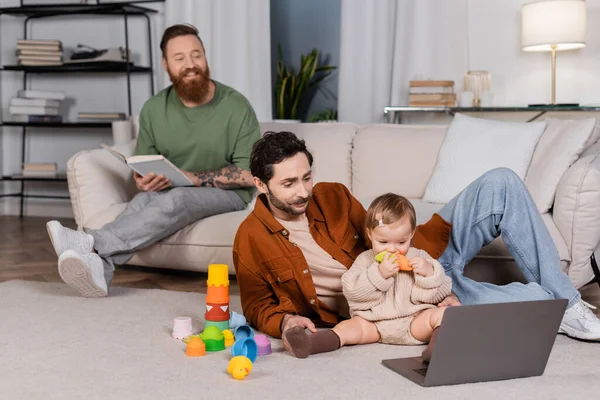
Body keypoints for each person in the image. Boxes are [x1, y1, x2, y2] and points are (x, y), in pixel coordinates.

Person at [233, 131, 600, 357]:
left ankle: (568, 301)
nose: (303, 191)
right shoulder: (250, 239)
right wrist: (283, 322)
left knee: (501, 181)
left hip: (424, 264)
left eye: (307, 177)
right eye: (289, 184)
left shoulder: (332, 195)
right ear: (260, 185)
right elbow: (256, 306)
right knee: (540, 307)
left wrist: (432, 276)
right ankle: (558, 304)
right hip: (396, 307)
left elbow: (379, 234)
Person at [46, 24, 261, 297]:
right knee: (142, 202)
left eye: (196, 55)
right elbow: (144, 162)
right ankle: (102, 269)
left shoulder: (236, 105)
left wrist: (194, 178)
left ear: (205, 57)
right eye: (179, 58)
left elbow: (248, 173)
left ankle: (89, 241)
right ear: (166, 64)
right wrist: (143, 180)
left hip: (228, 194)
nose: (190, 64)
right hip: (173, 187)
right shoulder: (153, 108)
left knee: (178, 199)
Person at [283, 193, 454, 360]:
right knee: (347, 328)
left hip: (414, 321)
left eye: (401, 242)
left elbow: (442, 292)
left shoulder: (420, 257)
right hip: (374, 324)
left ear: (411, 234)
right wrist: (379, 275)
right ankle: (311, 344)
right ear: (370, 234)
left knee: (443, 314)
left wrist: (429, 274)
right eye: (383, 242)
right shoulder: (365, 260)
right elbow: (353, 293)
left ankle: (437, 351)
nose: (392, 249)